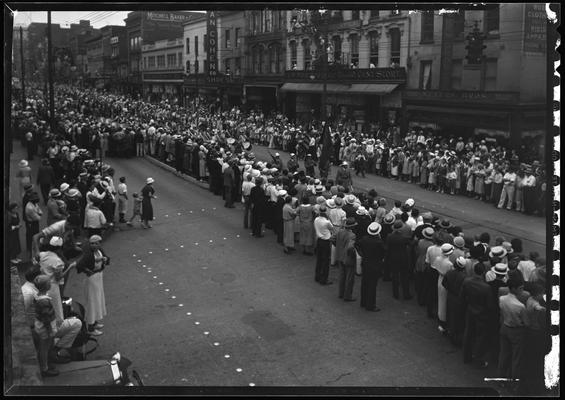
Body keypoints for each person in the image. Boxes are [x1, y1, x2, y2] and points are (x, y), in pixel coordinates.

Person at [21, 266, 82, 366]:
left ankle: (50, 357)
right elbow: (43, 316)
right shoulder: (30, 294)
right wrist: (50, 330)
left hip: (41, 326)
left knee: (45, 347)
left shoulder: (32, 289)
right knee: (76, 324)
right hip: (42, 328)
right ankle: (50, 358)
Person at [460, 262, 494, 368]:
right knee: (480, 337)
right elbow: (489, 305)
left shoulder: (467, 281)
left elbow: (462, 296)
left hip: (470, 310)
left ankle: (466, 356)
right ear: (483, 272)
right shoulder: (486, 287)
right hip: (481, 314)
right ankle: (479, 358)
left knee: (468, 333)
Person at [75, 235, 109, 336]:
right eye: (92, 243)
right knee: (92, 302)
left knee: (98, 299)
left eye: (96, 243)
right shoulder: (88, 254)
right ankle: (90, 327)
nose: (94, 245)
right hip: (92, 278)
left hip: (99, 276)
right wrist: (87, 271)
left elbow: (106, 259)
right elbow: (80, 265)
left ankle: (94, 322)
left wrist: (105, 259)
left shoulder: (100, 251)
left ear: (100, 244)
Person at [497, 272, 527, 383]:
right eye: (520, 288)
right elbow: (526, 322)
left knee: (504, 354)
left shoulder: (502, 298)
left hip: (504, 327)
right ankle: (515, 383)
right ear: (513, 289)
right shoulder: (520, 306)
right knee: (516, 358)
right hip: (516, 331)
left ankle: (501, 378)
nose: (522, 290)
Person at [357, 222, 386, 311]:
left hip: (366, 262)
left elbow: (357, 245)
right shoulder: (379, 242)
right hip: (375, 264)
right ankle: (370, 305)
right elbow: (383, 253)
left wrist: (362, 254)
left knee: (365, 283)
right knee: (372, 285)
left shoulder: (364, 239)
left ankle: (363, 302)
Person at [442, 256, 468, 346]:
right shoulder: (465, 278)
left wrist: (450, 290)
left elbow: (444, 283)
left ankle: (449, 331)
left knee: (449, 314)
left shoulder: (449, 273)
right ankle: (455, 337)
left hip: (450, 296)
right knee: (458, 319)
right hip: (459, 299)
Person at [386, 220, 413, 300]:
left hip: (393, 258)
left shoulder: (389, 236)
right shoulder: (403, 238)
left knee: (395, 276)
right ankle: (406, 294)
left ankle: (395, 294)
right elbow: (410, 244)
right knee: (404, 277)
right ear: (401, 229)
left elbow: (388, 248)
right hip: (403, 258)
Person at [433, 243, 455, 333]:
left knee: (440, 300)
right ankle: (443, 321)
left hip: (440, 279)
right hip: (446, 282)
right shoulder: (449, 263)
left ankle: (440, 319)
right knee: (444, 302)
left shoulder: (438, 259)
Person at [335, 217, 358, 302]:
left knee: (342, 276)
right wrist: (353, 253)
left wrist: (339, 247)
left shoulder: (340, 232)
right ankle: (347, 296)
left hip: (340, 256)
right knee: (349, 278)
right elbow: (350, 247)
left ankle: (341, 293)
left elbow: (332, 238)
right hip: (348, 258)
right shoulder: (352, 235)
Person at [314, 205, 334, 285]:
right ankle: (324, 279)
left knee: (319, 259)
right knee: (326, 261)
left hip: (319, 240)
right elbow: (331, 228)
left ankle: (317, 276)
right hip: (325, 241)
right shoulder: (327, 222)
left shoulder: (316, 219)